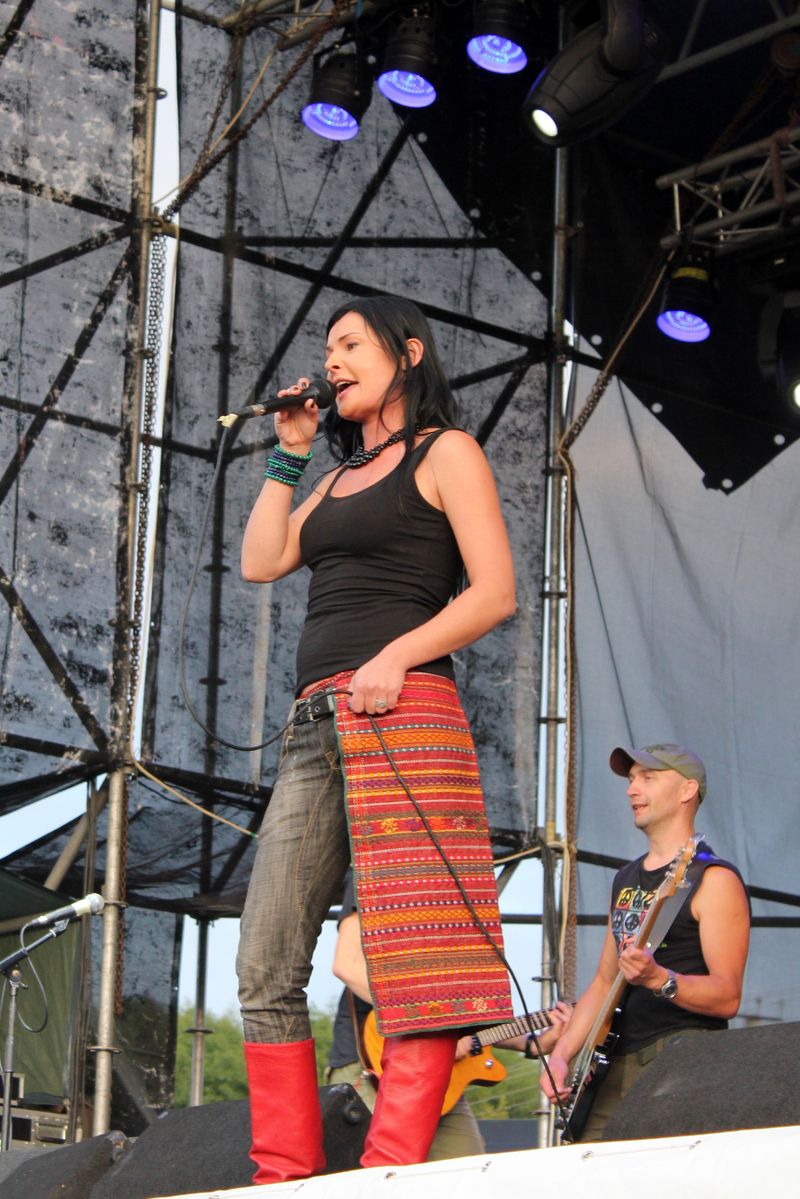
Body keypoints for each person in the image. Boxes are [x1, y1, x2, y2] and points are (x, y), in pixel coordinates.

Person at [236, 295, 517, 1183]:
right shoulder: (332, 479)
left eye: (352, 344)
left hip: (405, 713)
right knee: (265, 961)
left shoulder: (448, 452)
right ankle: (283, 1176)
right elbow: (260, 560)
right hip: (315, 725)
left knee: (418, 957)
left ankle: (389, 1172)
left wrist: (396, 653)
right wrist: (290, 451)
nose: (334, 360)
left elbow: (496, 591)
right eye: (329, 348)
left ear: (410, 354)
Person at [541, 743, 750, 1143]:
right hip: (611, 1059)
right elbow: (605, 981)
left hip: (679, 1058)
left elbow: (728, 996)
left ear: (687, 790)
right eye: (632, 779)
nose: (631, 789)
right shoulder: (625, 878)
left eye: (648, 778)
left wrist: (660, 979)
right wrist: (563, 1054)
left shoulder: (715, 880)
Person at [329, 871, 574, 1160]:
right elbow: (347, 966)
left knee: (468, 1174)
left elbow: (465, 1007)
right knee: (382, 1173)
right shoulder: (372, 867)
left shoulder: (461, 880)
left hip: (441, 1072)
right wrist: (434, 1025)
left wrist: (531, 1043)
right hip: (370, 1064)